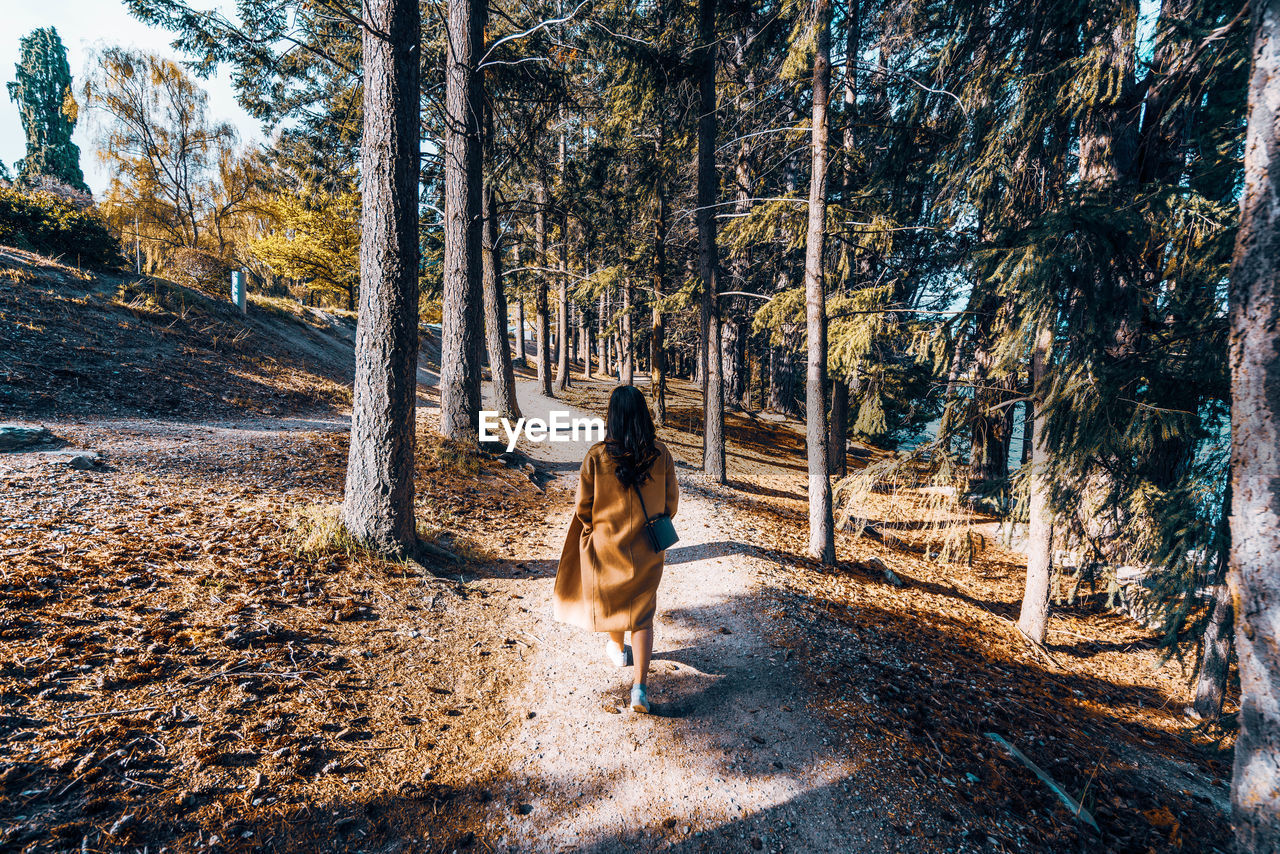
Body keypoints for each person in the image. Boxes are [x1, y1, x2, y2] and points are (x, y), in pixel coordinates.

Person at [553, 385, 679, 713]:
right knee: (642, 613)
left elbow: (584, 507)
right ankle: (639, 688)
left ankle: (616, 647)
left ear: (613, 416)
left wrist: (597, 532)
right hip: (648, 547)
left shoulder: (597, 456)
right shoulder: (660, 453)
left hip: (606, 545)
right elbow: (670, 503)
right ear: (642, 415)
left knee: (614, 598)